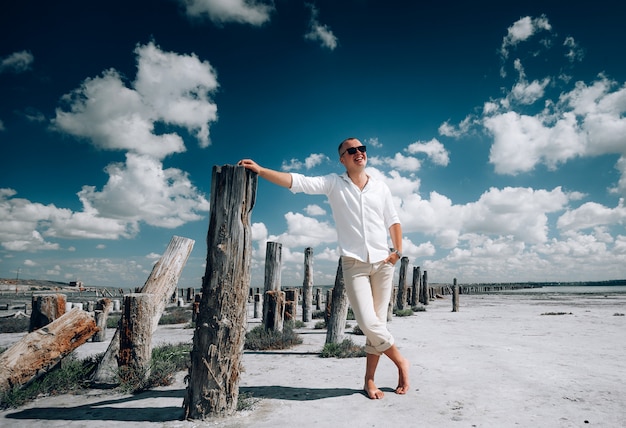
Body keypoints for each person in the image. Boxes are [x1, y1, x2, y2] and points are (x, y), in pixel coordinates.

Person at [238, 137, 410, 399]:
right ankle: (401, 361)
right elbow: (298, 182)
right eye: (351, 150)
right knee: (367, 322)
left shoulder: (381, 187)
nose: (358, 153)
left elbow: (393, 221)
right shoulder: (333, 184)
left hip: (383, 264)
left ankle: (369, 381)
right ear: (342, 159)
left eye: (362, 149)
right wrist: (261, 171)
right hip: (354, 264)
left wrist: (397, 252)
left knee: (377, 323)